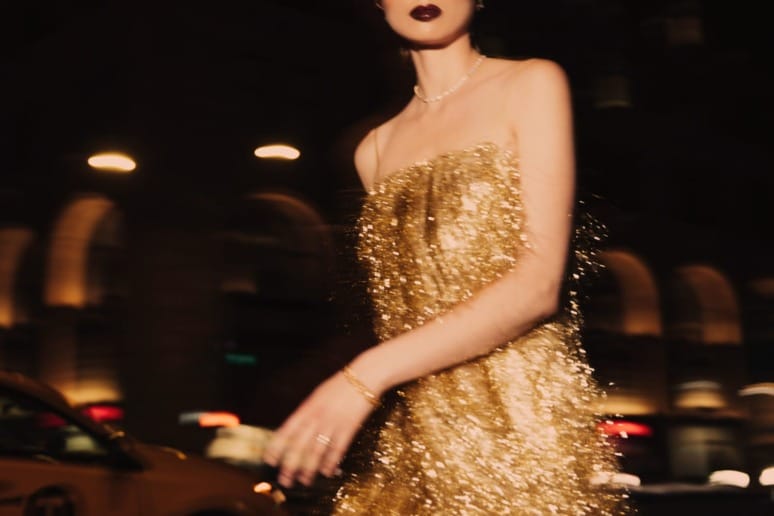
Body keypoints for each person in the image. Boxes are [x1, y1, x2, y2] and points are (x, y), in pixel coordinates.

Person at [264, 1, 629, 514]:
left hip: (521, 436)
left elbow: (538, 286)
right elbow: (401, 313)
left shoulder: (530, 83)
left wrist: (362, 378)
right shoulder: (374, 149)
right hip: (414, 438)